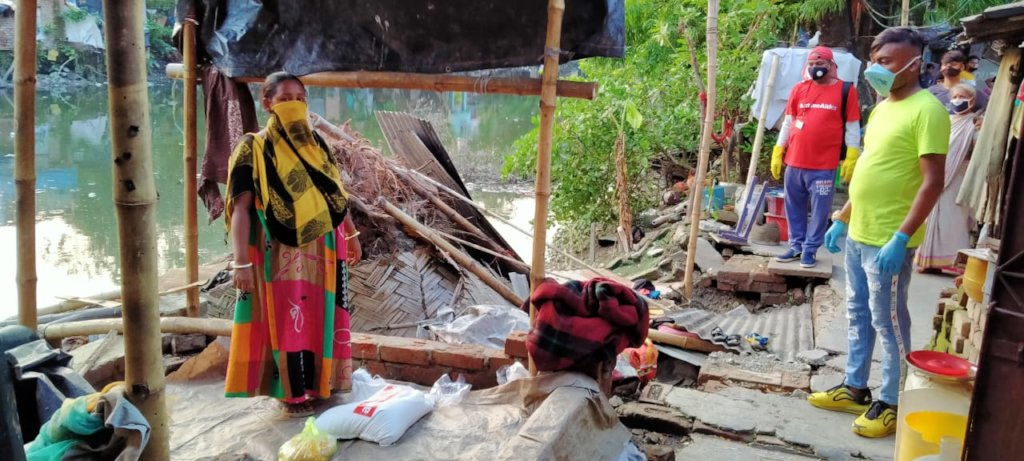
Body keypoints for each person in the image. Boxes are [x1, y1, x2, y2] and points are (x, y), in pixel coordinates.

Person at [810, 27, 949, 438]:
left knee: (888, 321)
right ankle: (855, 387)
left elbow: (932, 182)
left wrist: (903, 236)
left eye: (887, 61)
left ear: (914, 65)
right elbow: (874, 167)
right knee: (857, 313)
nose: (877, 68)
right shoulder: (884, 107)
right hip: (860, 232)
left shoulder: (929, 110)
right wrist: (843, 217)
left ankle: (892, 400)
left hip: (889, 238)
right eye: (876, 59)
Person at [223, 72, 362, 416]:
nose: (293, 105)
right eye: (285, 99)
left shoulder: (316, 143)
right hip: (279, 250)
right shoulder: (252, 148)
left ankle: (324, 382)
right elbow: (240, 208)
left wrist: (352, 233)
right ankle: (291, 393)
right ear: (267, 103)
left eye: (299, 98)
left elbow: (335, 196)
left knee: (323, 315)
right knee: (289, 319)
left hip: (326, 248)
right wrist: (241, 263)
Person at [772, 46, 861, 269]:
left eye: (820, 64)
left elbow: (851, 126)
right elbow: (788, 122)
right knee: (794, 207)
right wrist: (778, 149)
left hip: (824, 164)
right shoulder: (799, 89)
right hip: (794, 161)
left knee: (821, 210)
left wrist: (852, 155)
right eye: (811, 65)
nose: (815, 68)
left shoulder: (846, 90)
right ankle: (796, 246)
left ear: (831, 66)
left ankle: (810, 250)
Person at [915, 84, 980, 272]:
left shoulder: (974, 124)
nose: (958, 100)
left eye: (963, 96)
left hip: (959, 178)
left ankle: (955, 262)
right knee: (929, 216)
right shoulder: (945, 120)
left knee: (954, 221)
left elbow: (977, 153)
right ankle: (928, 262)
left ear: (972, 100)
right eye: (956, 96)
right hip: (936, 175)